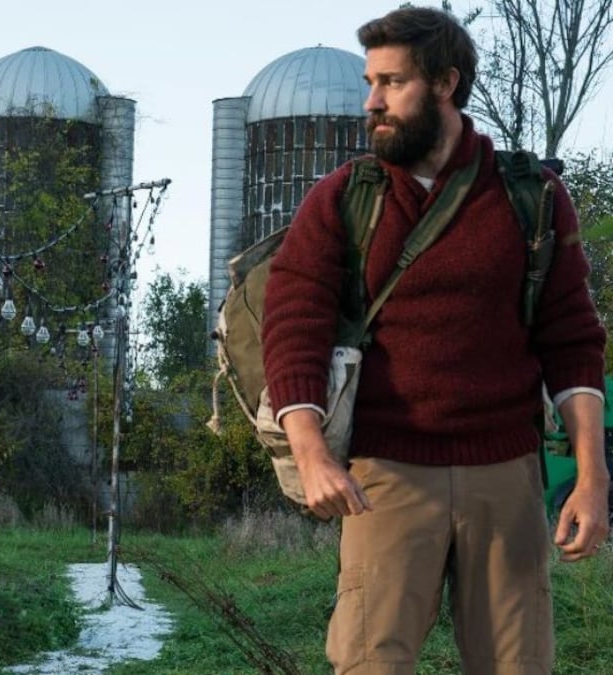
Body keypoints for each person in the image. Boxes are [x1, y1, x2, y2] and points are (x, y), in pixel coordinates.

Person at [261, 7, 609, 674]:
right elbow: (292, 331)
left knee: (519, 665)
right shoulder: (340, 200)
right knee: (369, 664)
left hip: (506, 475)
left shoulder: (531, 198)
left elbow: (572, 340)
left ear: (445, 83)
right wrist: (310, 456)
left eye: (391, 83)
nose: (371, 101)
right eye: (371, 82)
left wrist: (592, 478)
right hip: (385, 476)